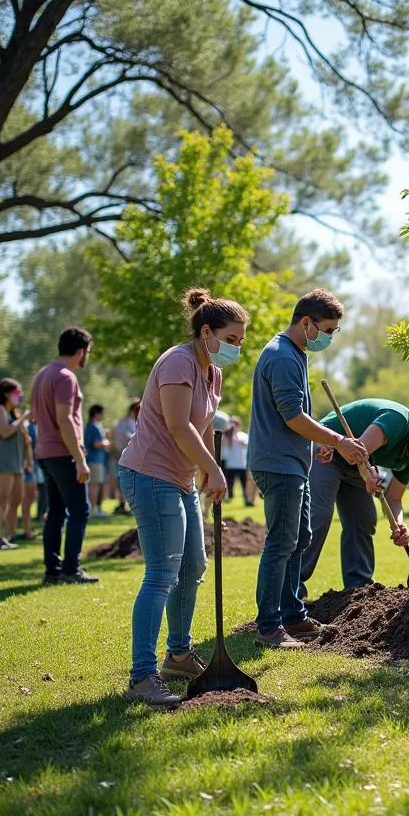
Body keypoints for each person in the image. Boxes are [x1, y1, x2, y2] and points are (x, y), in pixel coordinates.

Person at [118, 289, 247, 707]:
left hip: (180, 480)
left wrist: (205, 476)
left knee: (193, 566)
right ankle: (142, 676)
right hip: (149, 474)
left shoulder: (214, 372)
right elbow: (177, 426)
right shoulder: (178, 362)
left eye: (241, 342)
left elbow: (199, 428)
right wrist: (213, 468)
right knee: (161, 575)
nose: (236, 348)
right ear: (205, 331)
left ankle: (177, 655)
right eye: (231, 339)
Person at [250, 289, 369, 650]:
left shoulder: (295, 354)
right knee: (281, 542)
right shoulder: (283, 357)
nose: (330, 337)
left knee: (300, 538)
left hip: (293, 463)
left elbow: (298, 420)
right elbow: (293, 417)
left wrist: (316, 443)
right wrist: (337, 441)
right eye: (328, 330)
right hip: (278, 464)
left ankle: (293, 615)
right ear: (306, 322)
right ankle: (270, 627)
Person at [308, 399, 409, 588]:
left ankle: (358, 587)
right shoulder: (397, 421)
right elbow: (357, 452)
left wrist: (399, 525)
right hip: (327, 450)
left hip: (355, 466)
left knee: (364, 520)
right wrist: (368, 476)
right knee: (318, 516)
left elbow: (394, 497)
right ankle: (292, 588)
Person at [30, 327, 97, 584]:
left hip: (45, 453)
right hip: (63, 452)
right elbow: (65, 419)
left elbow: (37, 416)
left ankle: (52, 571)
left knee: (56, 512)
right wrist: (79, 458)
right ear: (80, 351)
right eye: (87, 352)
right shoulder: (66, 376)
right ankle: (71, 569)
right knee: (80, 511)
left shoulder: (42, 375)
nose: (86, 357)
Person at [0, 378, 30, 550]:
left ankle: (1, 536)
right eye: (16, 393)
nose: (20, 396)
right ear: (6, 394)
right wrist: (24, 417)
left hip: (15, 462)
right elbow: (5, 432)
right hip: (2, 462)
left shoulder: (13, 413)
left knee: (13, 500)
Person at [112, 401, 140, 514]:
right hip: (129, 454)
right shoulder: (130, 422)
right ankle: (127, 505)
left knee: (121, 480)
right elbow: (128, 436)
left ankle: (122, 504)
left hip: (120, 454)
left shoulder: (120, 422)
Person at [83, 404, 111, 518]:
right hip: (94, 460)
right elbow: (94, 443)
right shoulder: (92, 426)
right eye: (102, 413)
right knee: (93, 485)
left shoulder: (97, 426)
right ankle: (92, 509)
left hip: (99, 460)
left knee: (98, 484)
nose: (103, 416)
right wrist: (105, 443)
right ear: (96, 414)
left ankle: (96, 508)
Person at [222, 417, 253, 505]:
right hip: (230, 464)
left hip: (241, 464)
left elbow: (247, 446)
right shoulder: (226, 436)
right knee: (229, 484)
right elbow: (223, 447)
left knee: (244, 484)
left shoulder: (243, 435)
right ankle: (227, 498)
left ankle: (247, 500)